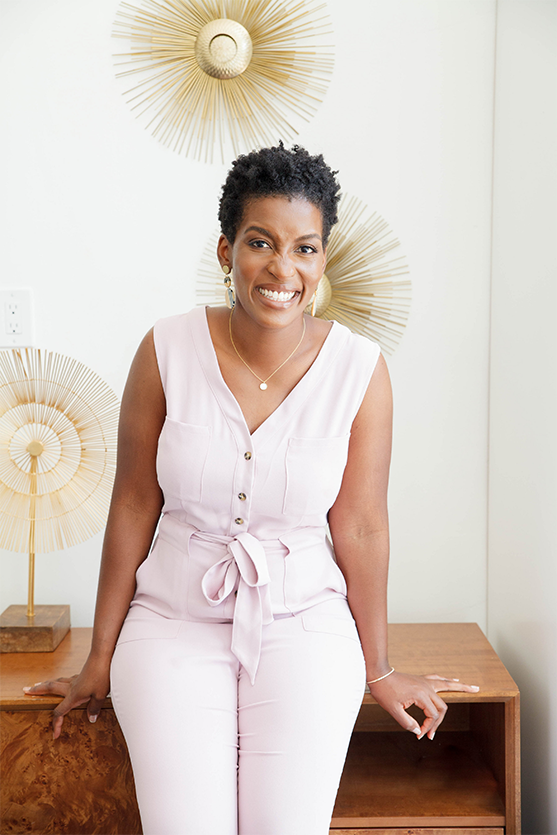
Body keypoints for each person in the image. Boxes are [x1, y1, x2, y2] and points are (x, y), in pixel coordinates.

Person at [25, 144, 479, 835]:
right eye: (260, 242)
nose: (282, 268)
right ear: (225, 250)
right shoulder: (165, 349)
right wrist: (99, 657)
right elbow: (132, 505)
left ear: (322, 260)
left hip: (307, 627)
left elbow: (359, 525)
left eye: (304, 247)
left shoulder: (360, 370)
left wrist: (379, 667)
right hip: (171, 624)